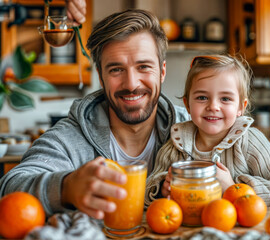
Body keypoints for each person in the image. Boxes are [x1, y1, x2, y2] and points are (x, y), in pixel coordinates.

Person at [0, 9, 189, 219]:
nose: (131, 84)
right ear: (100, 76)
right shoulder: (72, 136)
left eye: (143, 67)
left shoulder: (192, 127)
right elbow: (10, 187)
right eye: (116, 69)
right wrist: (66, 188)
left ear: (162, 71)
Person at [145, 54, 270, 207]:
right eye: (202, 97)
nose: (213, 106)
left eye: (225, 99)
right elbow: (147, 190)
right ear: (187, 104)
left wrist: (233, 188)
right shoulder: (175, 146)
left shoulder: (250, 142)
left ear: (241, 107)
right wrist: (161, 191)